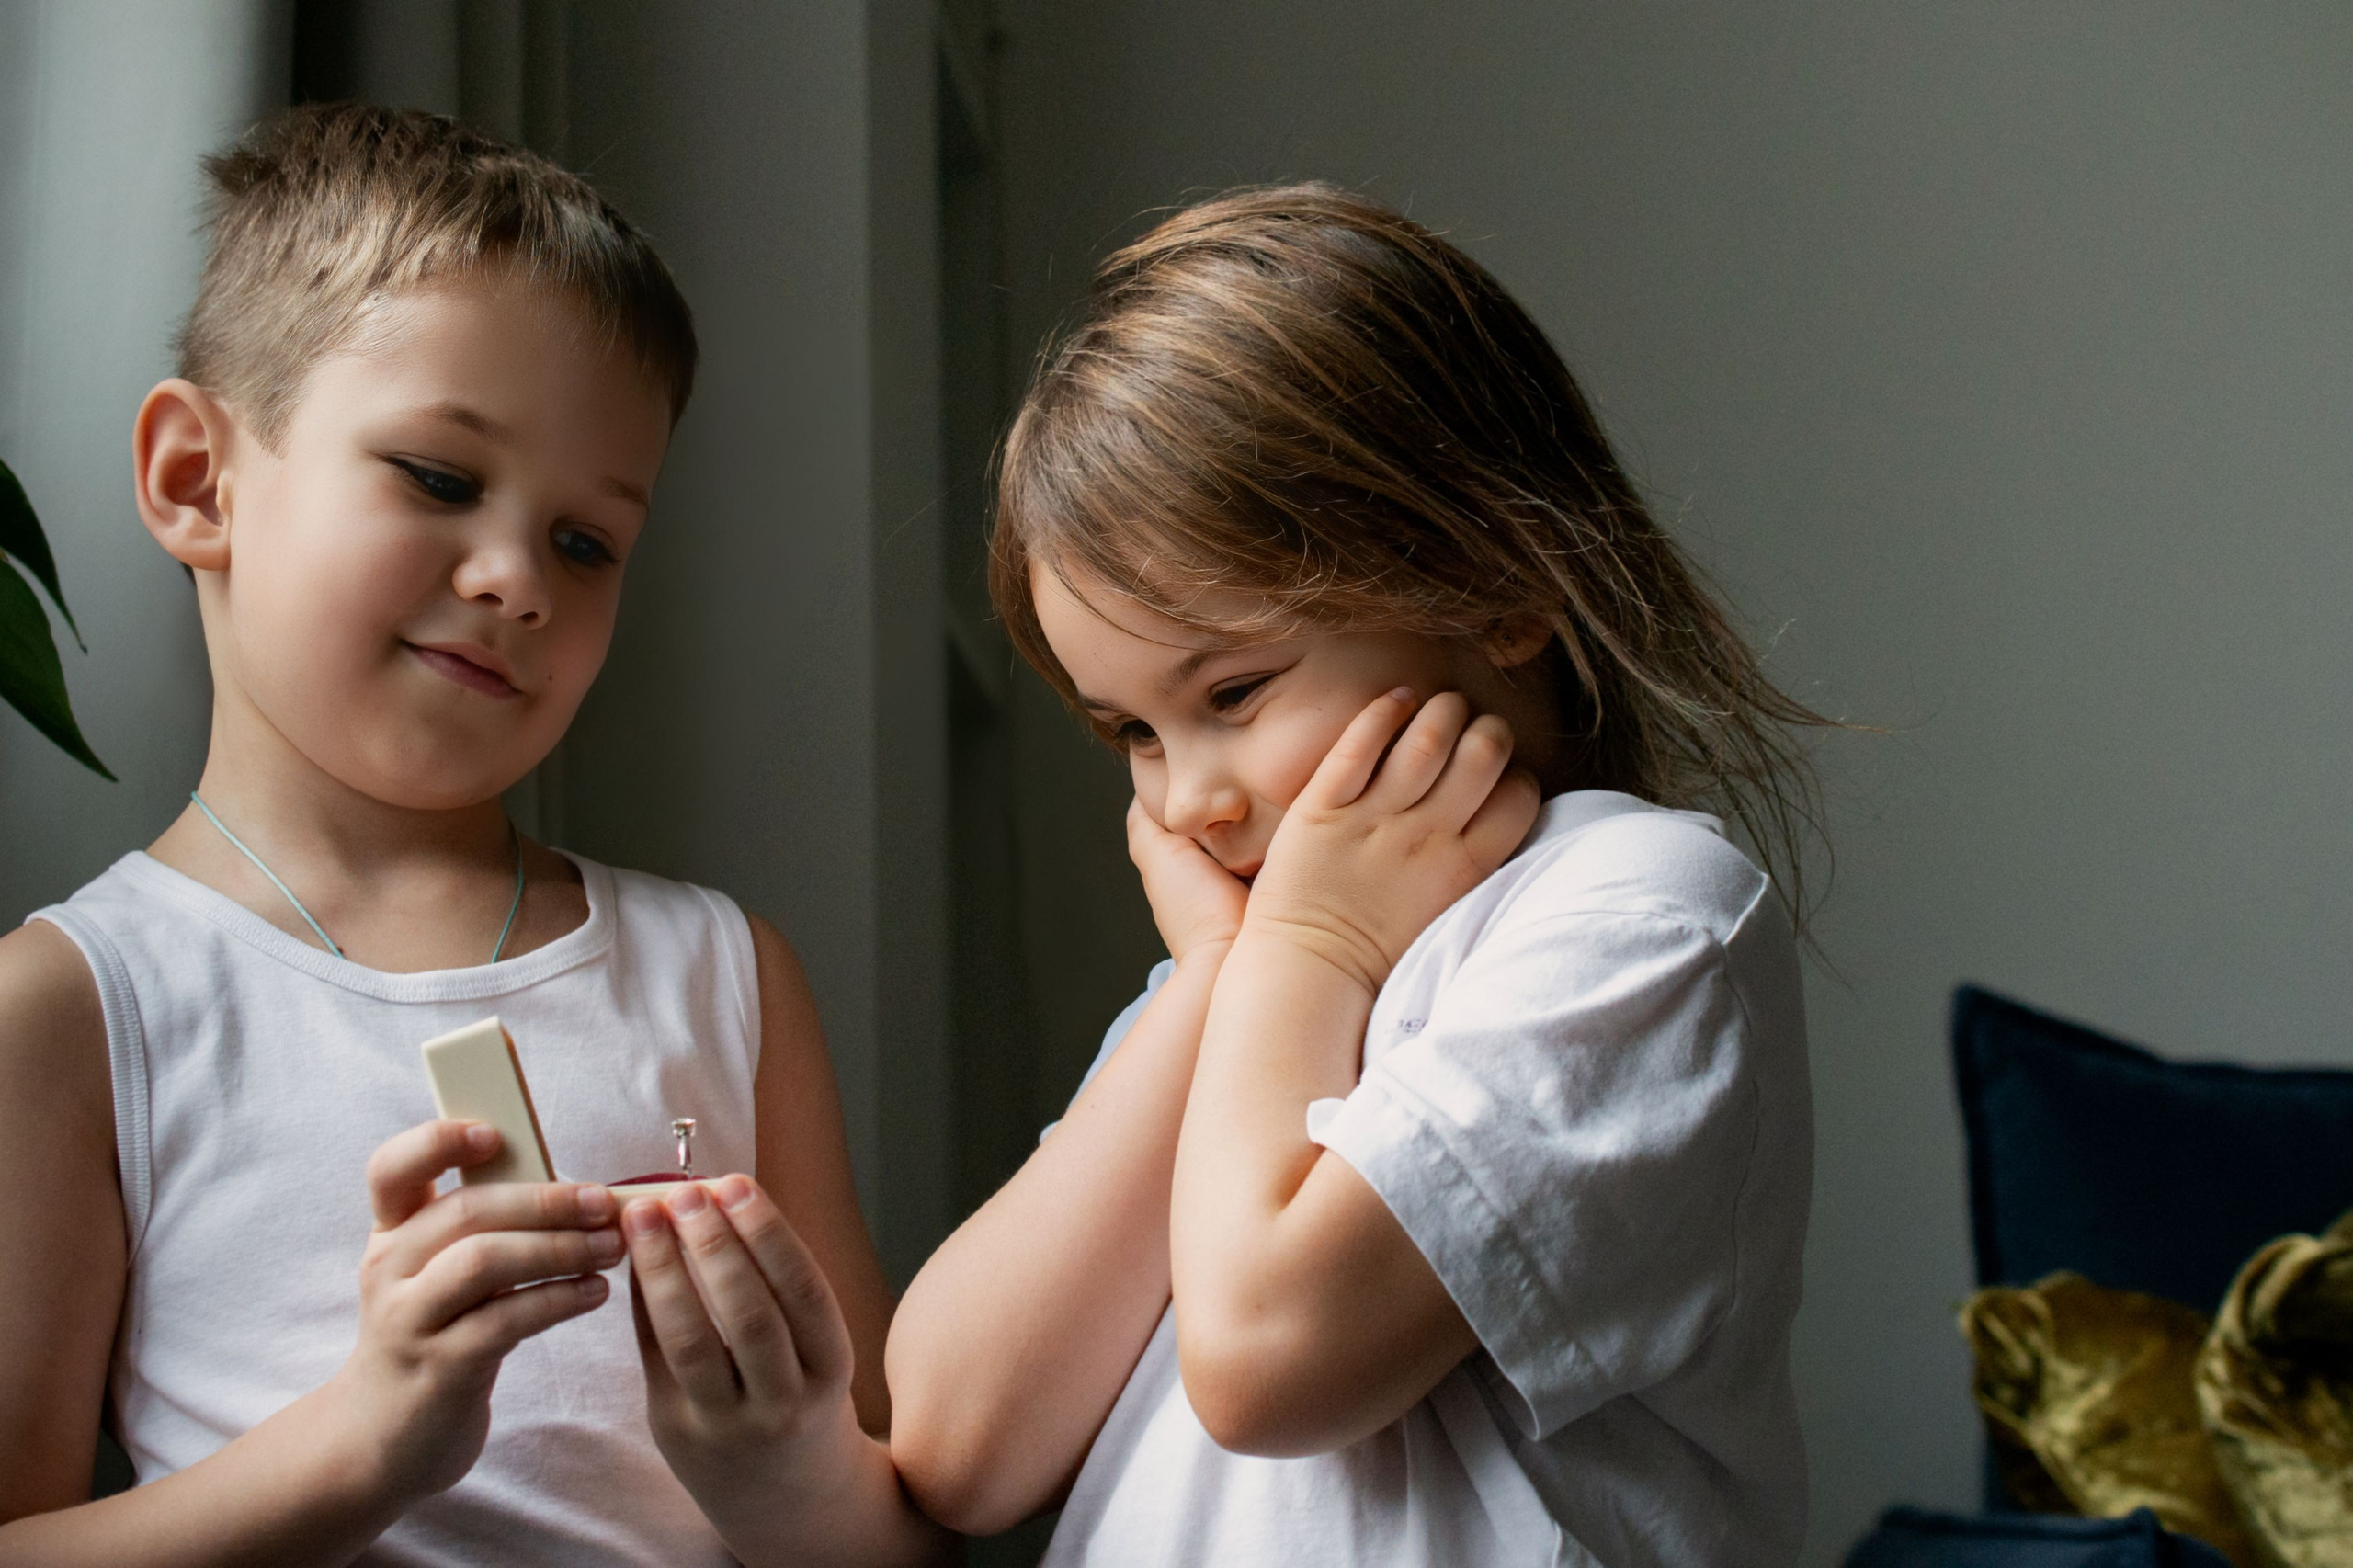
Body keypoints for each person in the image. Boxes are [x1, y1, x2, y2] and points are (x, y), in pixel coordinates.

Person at [0, 105, 939, 1567]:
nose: (514, 579)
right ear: (199, 479)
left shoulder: (721, 970)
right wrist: (366, 1438)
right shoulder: (76, 1005)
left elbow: (906, 1538)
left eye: (587, 542)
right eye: (440, 478)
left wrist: (788, 1468)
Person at [886, 184, 1831, 1565]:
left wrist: (1306, 953)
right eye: (1132, 731)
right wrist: (1216, 978)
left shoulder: (1638, 913)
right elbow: (954, 1440)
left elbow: (1270, 1357)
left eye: (1237, 688)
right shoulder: (1241, 991)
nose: (1187, 796)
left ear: (1502, 577)